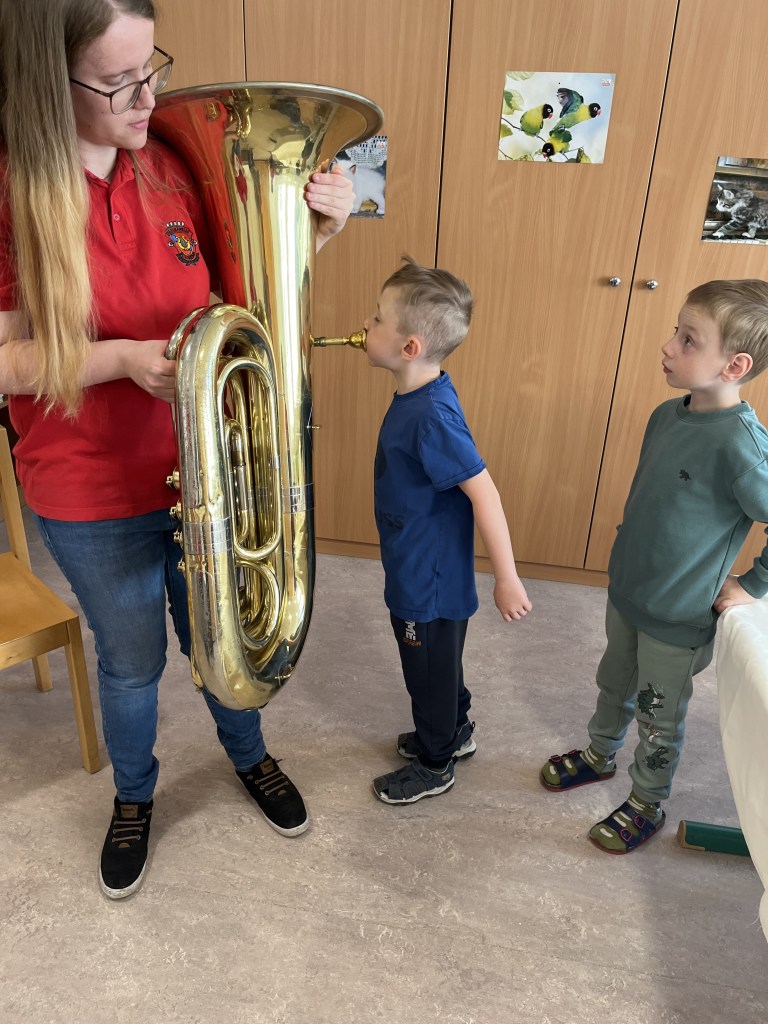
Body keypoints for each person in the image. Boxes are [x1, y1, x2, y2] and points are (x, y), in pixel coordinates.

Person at [0, 0, 355, 899]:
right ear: (47, 81)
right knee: (131, 665)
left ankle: (249, 753)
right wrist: (121, 360)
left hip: (209, 468)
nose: (148, 96)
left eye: (150, 67)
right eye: (117, 82)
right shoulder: (9, 190)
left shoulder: (172, 159)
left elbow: (244, 292)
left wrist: (317, 226)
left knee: (223, 635)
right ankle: (134, 796)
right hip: (88, 491)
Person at [540, 280, 768, 853]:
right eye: (675, 331)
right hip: (628, 592)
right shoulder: (667, 415)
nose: (668, 346)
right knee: (613, 682)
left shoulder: (743, 447)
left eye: (689, 340)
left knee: (657, 714)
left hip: (678, 615)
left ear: (735, 365)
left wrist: (753, 584)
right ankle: (599, 754)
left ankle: (647, 800)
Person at [363, 255, 532, 805]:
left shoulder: (431, 416)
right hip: (418, 563)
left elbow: (485, 493)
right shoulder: (422, 395)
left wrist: (506, 578)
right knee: (438, 664)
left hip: (427, 581)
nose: (366, 323)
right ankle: (454, 730)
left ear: (410, 346)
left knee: (426, 671)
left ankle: (436, 763)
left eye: (377, 318)